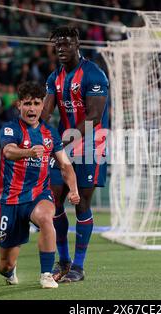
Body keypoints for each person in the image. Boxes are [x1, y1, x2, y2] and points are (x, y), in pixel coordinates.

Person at [42, 26, 109, 282]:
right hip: (63, 145)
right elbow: (47, 113)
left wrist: (62, 141)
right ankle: (64, 261)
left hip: (91, 144)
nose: (62, 48)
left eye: (67, 43)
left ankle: (79, 267)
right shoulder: (54, 78)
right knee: (55, 200)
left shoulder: (94, 74)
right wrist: (35, 133)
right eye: (58, 44)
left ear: (77, 44)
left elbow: (93, 117)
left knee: (80, 202)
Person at [0, 81, 80, 289]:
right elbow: (8, 151)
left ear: (43, 105)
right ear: (19, 105)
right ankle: (11, 270)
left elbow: (65, 164)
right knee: (4, 264)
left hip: (39, 195)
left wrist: (74, 189)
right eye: (27, 104)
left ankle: (46, 274)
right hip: (11, 199)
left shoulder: (50, 134)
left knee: (45, 217)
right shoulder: (10, 129)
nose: (31, 108)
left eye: (35, 103)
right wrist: (29, 152)